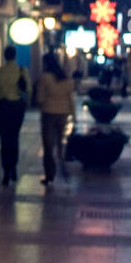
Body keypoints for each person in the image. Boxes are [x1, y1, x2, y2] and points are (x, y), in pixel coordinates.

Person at [0, 45, 31, 185]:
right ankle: (13, 167)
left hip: (2, 107)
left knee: (4, 139)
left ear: (4, 56)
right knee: (14, 137)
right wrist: (26, 104)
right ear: (15, 55)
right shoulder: (21, 70)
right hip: (16, 107)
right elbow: (29, 89)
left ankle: (5, 170)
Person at [37, 51, 74, 186]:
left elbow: (40, 97)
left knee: (48, 145)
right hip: (63, 113)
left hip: (48, 113)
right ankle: (63, 166)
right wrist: (73, 115)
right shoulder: (66, 79)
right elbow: (70, 98)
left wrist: (42, 102)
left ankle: (49, 174)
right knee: (60, 142)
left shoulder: (45, 77)